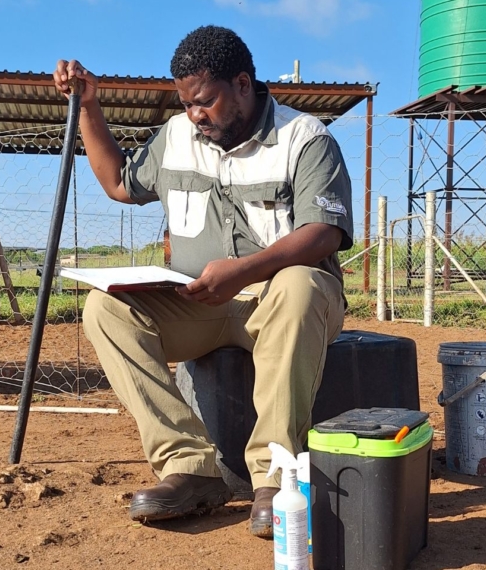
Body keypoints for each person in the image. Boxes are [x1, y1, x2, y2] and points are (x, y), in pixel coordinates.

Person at [53, 25, 352, 538]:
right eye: (187, 104)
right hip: (202, 304)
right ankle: (189, 468)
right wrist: (88, 106)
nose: (196, 115)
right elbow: (119, 184)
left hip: (283, 303)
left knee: (298, 285)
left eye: (205, 102)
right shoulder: (176, 137)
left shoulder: (305, 137)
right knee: (106, 310)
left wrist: (246, 271)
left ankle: (275, 476)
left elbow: (324, 233)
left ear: (242, 84)